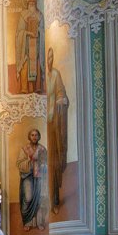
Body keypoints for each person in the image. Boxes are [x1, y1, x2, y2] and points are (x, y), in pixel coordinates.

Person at [46, 48, 69, 214]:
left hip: (53, 124)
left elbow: (60, 91)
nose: (49, 60)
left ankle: (54, 200)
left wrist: (62, 99)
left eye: (51, 57)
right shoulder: (38, 75)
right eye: (47, 57)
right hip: (42, 126)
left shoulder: (55, 74)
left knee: (53, 163)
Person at [17, 128, 48, 230]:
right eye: (32, 135)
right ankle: (27, 221)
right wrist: (30, 161)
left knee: (39, 199)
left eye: (36, 135)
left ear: (39, 136)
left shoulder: (42, 149)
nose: (34, 137)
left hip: (39, 177)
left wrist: (43, 165)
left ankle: (39, 222)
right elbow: (19, 164)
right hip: (28, 176)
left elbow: (47, 163)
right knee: (28, 198)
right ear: (29, 137)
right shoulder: (24, 149)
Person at [15, 0, 45, 93]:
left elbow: (44, 30)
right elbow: (20, 31)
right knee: (25, 65)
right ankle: (25, 88)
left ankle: (37, 87)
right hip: (26, 45)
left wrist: (38, 31)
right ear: (27, 4)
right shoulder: (23, 15)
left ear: (36, 4)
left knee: (37, 65)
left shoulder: (40, 15)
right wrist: (27, 33)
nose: (32, 5)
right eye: (30, 3)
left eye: (33, 3)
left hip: (37, 44)